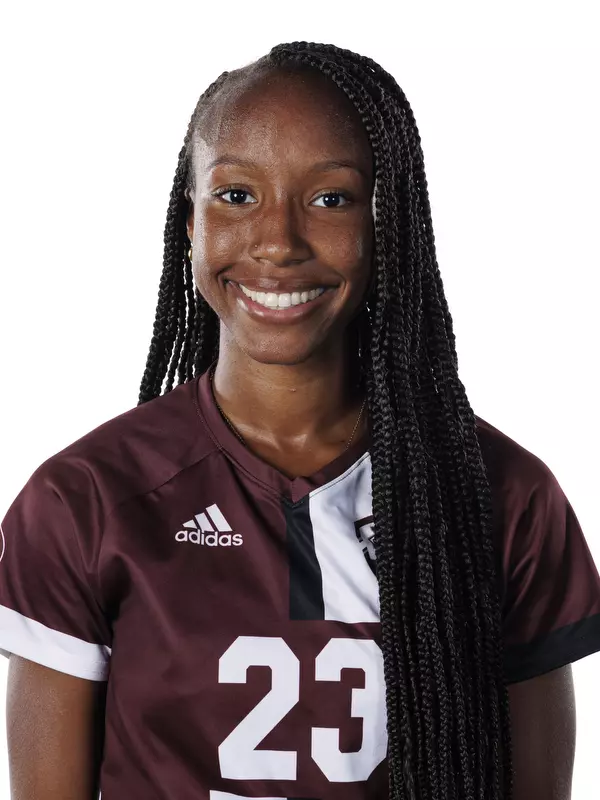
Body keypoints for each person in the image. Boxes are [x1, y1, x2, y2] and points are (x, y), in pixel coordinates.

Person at [1, 41, 599, 800]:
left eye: (331, 198)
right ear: (189, 224)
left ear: (391, 227)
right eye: (237, 195)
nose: (278, 243)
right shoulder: (84, 502)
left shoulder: (503, 499)